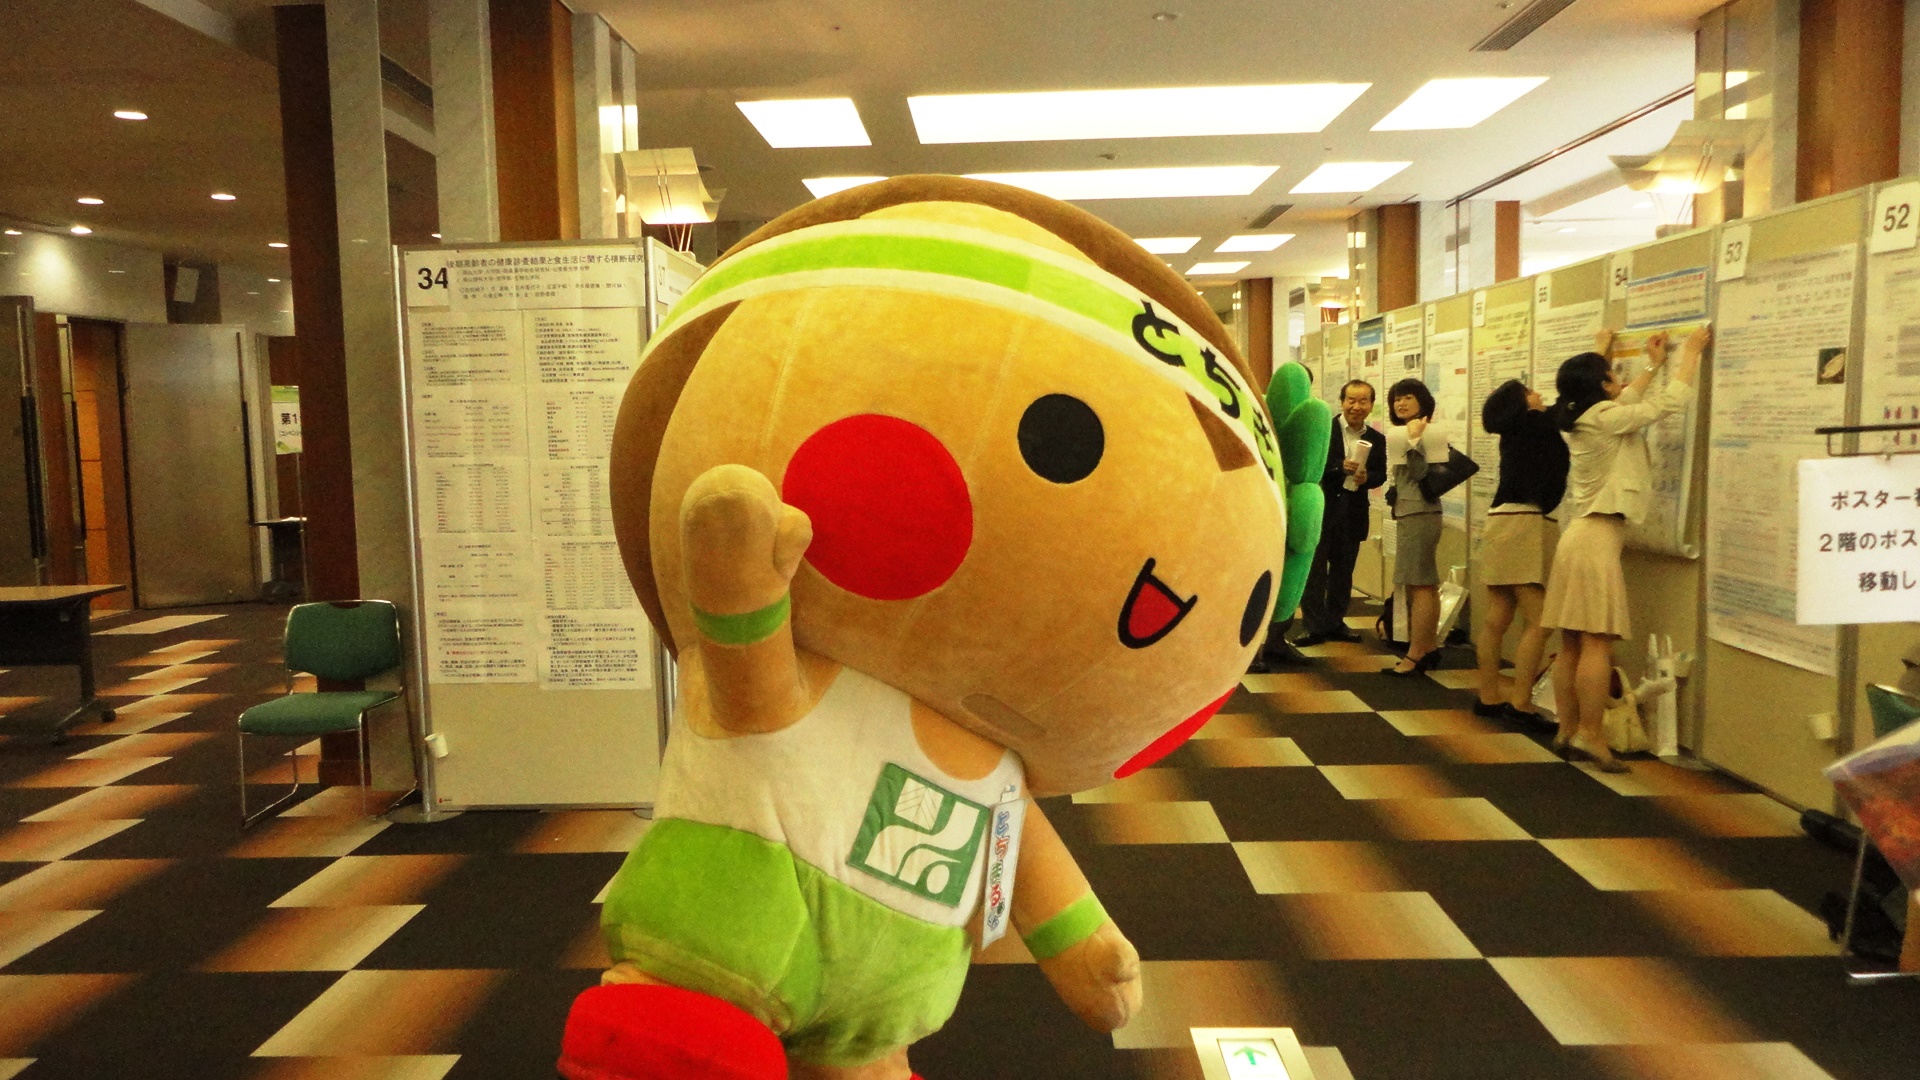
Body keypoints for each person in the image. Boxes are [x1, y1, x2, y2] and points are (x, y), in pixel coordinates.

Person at [1542, 325, 1710, 771]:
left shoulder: (1587, 416)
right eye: (1611, 375)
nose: (1619, 379)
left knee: (1572, 643)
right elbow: (1665, 405)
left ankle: (1568, 729)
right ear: (1600, 386)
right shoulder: (1603, 417)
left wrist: (1653, 366)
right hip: (1595, 539)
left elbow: (1629, 400)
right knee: (1596, 643)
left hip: (1578, 537)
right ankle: (1592, 736)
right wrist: (1691, 354)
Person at [1474, 377, 1570, 721]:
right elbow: (1568, 404)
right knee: (1541, 620)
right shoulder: (1533, 422)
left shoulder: (1513, 432)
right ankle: (1521, 702)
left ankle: (1488, 696)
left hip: (1501, 520)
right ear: (1522, 403)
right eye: (1530, 391)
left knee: (1498, 615)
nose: (1538, 393)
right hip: (1523, 523)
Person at [1295, 380, 1387, 646]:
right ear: (1342, 402)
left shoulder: (1377, 438)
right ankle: (1313, 627)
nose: (1356, 407)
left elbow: (1381, 474)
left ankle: (1335, 623)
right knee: (1315, 573)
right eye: (1351, 400)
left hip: (1353, 513)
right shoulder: (1325, 430)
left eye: (1363, 401)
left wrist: (1367, 478)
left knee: (1343, 573)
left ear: (1371, 405)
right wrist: (1338, 466)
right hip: (1323, 509)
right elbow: (1310, 464)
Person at [1383, 377, 1446, 676]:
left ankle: (1416, 653)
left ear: (1423, 401)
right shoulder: (1405, 431)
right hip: (1415, 511)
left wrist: (1413, 441)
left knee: (1419, 584)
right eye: (1397, 398)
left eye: (1408, 397)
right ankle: (1428, 647)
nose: (1401, 403)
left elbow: (1420, 472)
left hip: (1419, 512)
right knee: (1425, 584)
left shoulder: (1422, 431)